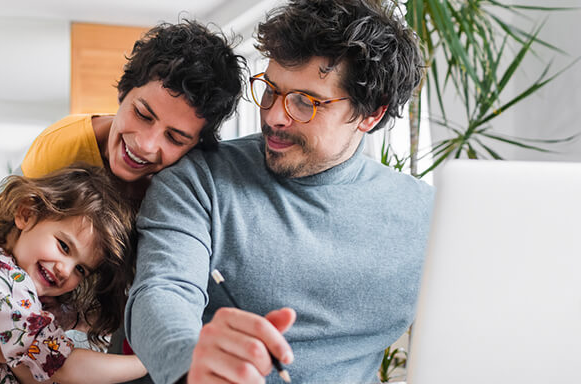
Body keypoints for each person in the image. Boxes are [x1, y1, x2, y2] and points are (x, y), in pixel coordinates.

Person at [124, 1, 433, 383]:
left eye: (305, 102)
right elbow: (161, 293)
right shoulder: (200, 178)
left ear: (370, 114)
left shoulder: (429, 216)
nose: (274, 115)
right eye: (270, 90)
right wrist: (191, 364)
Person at [0, 19, 245, 355]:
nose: (145, 144)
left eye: (174, 137)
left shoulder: (187, 188)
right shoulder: (62, 147)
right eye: (142, 114)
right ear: (123, 93)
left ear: (195, 145)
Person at [0, 165, 147, 384]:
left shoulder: (9, 274)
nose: (65, 270)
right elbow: (64, 367)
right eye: (64, 246)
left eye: (80, 269)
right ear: (26, 213)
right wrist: (145, 363)